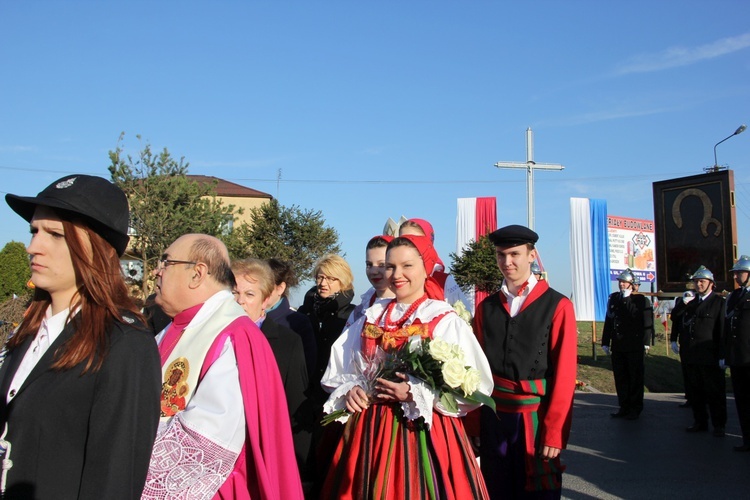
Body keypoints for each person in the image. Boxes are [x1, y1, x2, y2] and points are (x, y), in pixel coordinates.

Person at [0, 174, 161, 498]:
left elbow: (114, 480)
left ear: (95, 248)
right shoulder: (28, 332)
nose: (33, 247)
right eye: (34, 231)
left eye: (55, 235)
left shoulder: (124, 344)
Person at [321, 234, 493, 498]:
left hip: (424, 432)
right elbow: (339, 368)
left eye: (406, 266)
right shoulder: (371, 316)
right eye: (390, 266)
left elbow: (477, 384)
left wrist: (417, 393)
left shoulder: (442, 319)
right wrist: (351, 388)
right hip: (371, 431)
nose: (396, 274)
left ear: (426, 268)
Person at [142, 234, 302, 499]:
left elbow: (206, 439)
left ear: (197, 274)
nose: (157, 272)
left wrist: (126, 465)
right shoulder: (176, 325)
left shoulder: (233, 335)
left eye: (166, 262)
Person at [473, 224, 577, 499]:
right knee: (495, 487)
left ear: (532, 255)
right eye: (500, 255)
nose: (507, 262)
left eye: (515, 254)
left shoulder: (558, 305)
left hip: (535, 418)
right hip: (493, 417)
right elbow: (473, 371)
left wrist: (555, 431)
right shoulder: (486, 308)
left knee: (538, 489)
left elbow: (565, 375)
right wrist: (473, 425)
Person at [230, 258, 312, 480]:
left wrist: (294, 469)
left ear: (265, 300)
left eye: (249, 295)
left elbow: (296, 406)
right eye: (234, 293)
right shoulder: (214, 337)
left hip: (264, 456)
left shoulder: (287, 342)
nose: (239, 301)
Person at [298, 254, 356, 392]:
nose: (323, 283)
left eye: (331, 279)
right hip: (302, 390)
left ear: (343, 282)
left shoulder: (352, 316)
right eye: (320, 277)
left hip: (335, 391)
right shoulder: (303, 312)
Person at [680, 265, 727, 437]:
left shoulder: (719, 303)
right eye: (696, 282)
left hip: (710, 356)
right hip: (693, 356)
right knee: (696, 392)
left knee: (715, 393)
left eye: (702, 281)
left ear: (711, 284)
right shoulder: (691, 305)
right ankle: (700, 422)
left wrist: (722, 355)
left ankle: (719, 424)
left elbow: (721, 331)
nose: (698, 284)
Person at [601, 268, 653, 420]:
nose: (621, 285)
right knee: (621, 377)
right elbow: (610, 320)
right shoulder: (614, 298)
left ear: (631, 284)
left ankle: (635, 408)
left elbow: (639, 318)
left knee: (635, 377)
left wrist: (645, 342)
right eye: (620, 282)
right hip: (618, 344)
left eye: (624, 282)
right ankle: (623, 406)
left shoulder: (640, 300)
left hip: (634, 345)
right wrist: (605, 341)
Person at [399, 218, 472, 313]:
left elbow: (466, 315)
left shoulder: (444, 282)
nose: (409, 245)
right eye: (404, 240)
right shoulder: (392, 278)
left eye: (417, 240)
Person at [265, 258, 316, 382]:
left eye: (265, 284)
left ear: (280, 288)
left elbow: (305, 369)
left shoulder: (298, 323)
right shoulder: (242, 319)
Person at [726, 255, 750, 451]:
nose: (736, 276)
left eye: (739, 273)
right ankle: (746, 439)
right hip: (737, 357)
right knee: (742, 401)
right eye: (735, 273)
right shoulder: (734, 296)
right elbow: (728, 326)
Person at [346, 235, 395, 327]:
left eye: (381, 264)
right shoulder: (361, 310)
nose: (373, 271)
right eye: (369, 264)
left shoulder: (406, 306)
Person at [670, 290, 696, 408]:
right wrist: (673, 339)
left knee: (698, 372)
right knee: (686, 370)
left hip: (697, 342)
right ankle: (690, 397)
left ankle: (702, 397)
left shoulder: (700, 299)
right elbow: (675, 319)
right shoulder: (680, 301)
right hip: (684, 340)